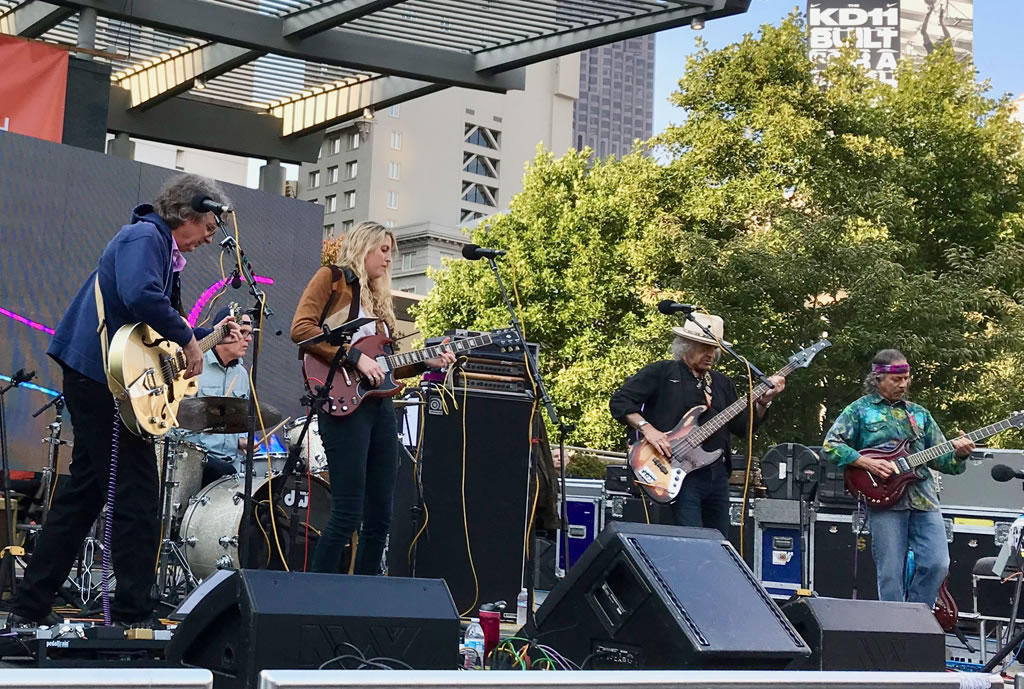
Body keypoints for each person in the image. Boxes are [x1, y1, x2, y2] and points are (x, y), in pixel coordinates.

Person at [4, 174, 239, 627]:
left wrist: (208, 336)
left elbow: (155, 334)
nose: (211, 238)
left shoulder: (160, 249)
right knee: (138, 494)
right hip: (103, 378)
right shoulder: (145, 236)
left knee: (84, 496)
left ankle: (30, 605)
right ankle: (133, 615)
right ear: (187, 213)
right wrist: (189, 338)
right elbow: (140, 296)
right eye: (209, 227)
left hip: (107, 378)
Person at [290, 221, 455, 575]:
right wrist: (353, 357)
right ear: (362, 247)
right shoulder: (332, 278)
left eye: (390, 251)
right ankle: (314, 592)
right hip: (342, 404)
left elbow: (384, 369)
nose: (389, 258)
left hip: (378, 407)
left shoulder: (379, 301)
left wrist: (425, 363)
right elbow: (301, 329)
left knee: (381, 515)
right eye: (383, 250)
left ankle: (364, 592)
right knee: (347, 512)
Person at [609, 314, 786, 537]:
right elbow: (620, 402)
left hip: (716, 475)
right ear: (685, 346)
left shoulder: (721, 382)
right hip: (677, 471)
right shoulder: (662, 372)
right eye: (704, 347)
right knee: (689, 539)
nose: (711, 354)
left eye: (714, 348)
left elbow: (743, 428)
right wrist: (648, 429)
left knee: (718, 540)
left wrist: (763, 402)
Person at [822, 348, 973, 605]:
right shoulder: (859, 411)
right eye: (896, 379)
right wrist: (866, 463)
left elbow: (945, 462)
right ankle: (894, 624)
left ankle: (917, 616)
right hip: (885, 501)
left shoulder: (920, 414)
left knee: (938, 563)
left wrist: (960, 455)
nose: (903, 384)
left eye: (906, 378)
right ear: (878, 378)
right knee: (890, 573)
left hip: (924, 500)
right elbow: (831, 446)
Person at [178, 306, 254, 484]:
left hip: (231, 464)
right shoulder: (195, 364)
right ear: (223, 333)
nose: (249, 339)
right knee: (222, 471)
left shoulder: (242, 374)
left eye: (250, 333)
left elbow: (237, 421)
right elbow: (177, 421)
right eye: (243, 332)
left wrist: (240, 441)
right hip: (194, 460)